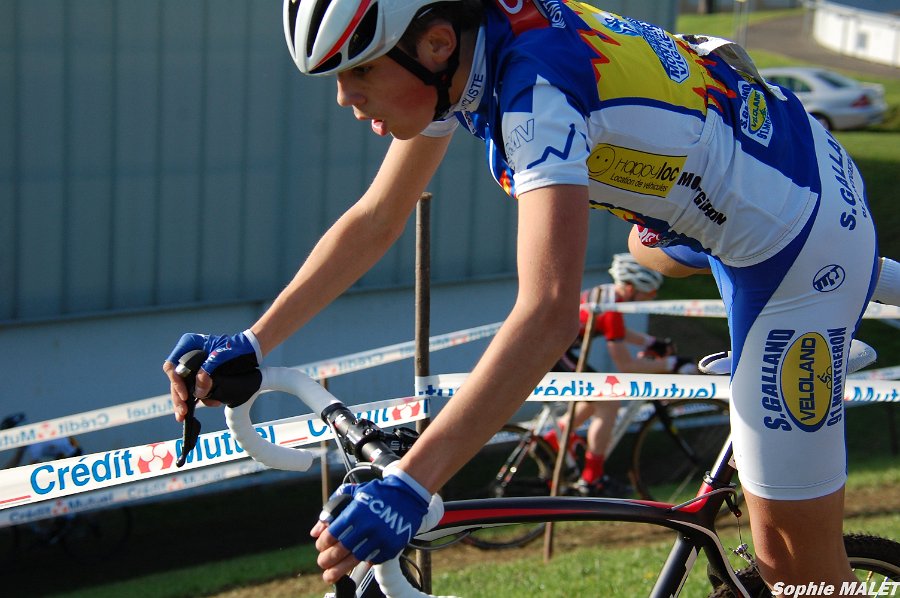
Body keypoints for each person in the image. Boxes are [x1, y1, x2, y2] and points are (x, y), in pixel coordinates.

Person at [163, 0, 885, 588]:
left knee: (794, 569)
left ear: (435, 43)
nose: (346, 98)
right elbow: (378, 218)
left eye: (359, 71)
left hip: (798, 243)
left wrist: (414, 483)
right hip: (746, 177)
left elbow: (546, 315)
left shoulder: (535, 101)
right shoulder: (467, 51)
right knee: (645, 248)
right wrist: (254, 341)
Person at [546, 252, 696, 497]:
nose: (652, 297)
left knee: (597, 399)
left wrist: (652, 343)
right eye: (648, 292)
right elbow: (626, 365)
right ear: (629, 288)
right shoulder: (611, 308)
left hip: (556, 350)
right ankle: (592, 478)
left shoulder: (608, 296)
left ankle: (556, 436)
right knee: (609, 401)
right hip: (552, 353)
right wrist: (673, 363)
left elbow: (617, 331)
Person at [1, 413, 82, 468]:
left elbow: (33, 467)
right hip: (66, 453)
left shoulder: (34, 443)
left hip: (71, 454)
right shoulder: (28, 441)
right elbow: (16, 460)